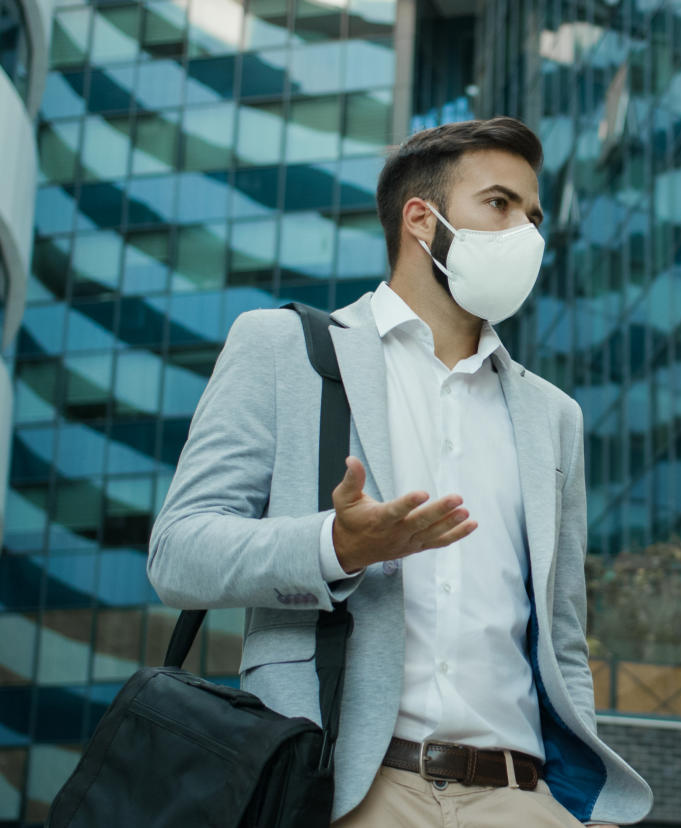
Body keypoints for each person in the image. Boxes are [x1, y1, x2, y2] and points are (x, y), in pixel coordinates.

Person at [149, 117, 652, 827]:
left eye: (534, 217)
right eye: (501, 205)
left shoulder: (553, 416)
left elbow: (562, 636)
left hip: (522, 798)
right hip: (349, 788)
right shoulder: (285, 349)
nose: (527, 235)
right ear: (422, 219)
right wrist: (337, 546)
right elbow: (178, 553)